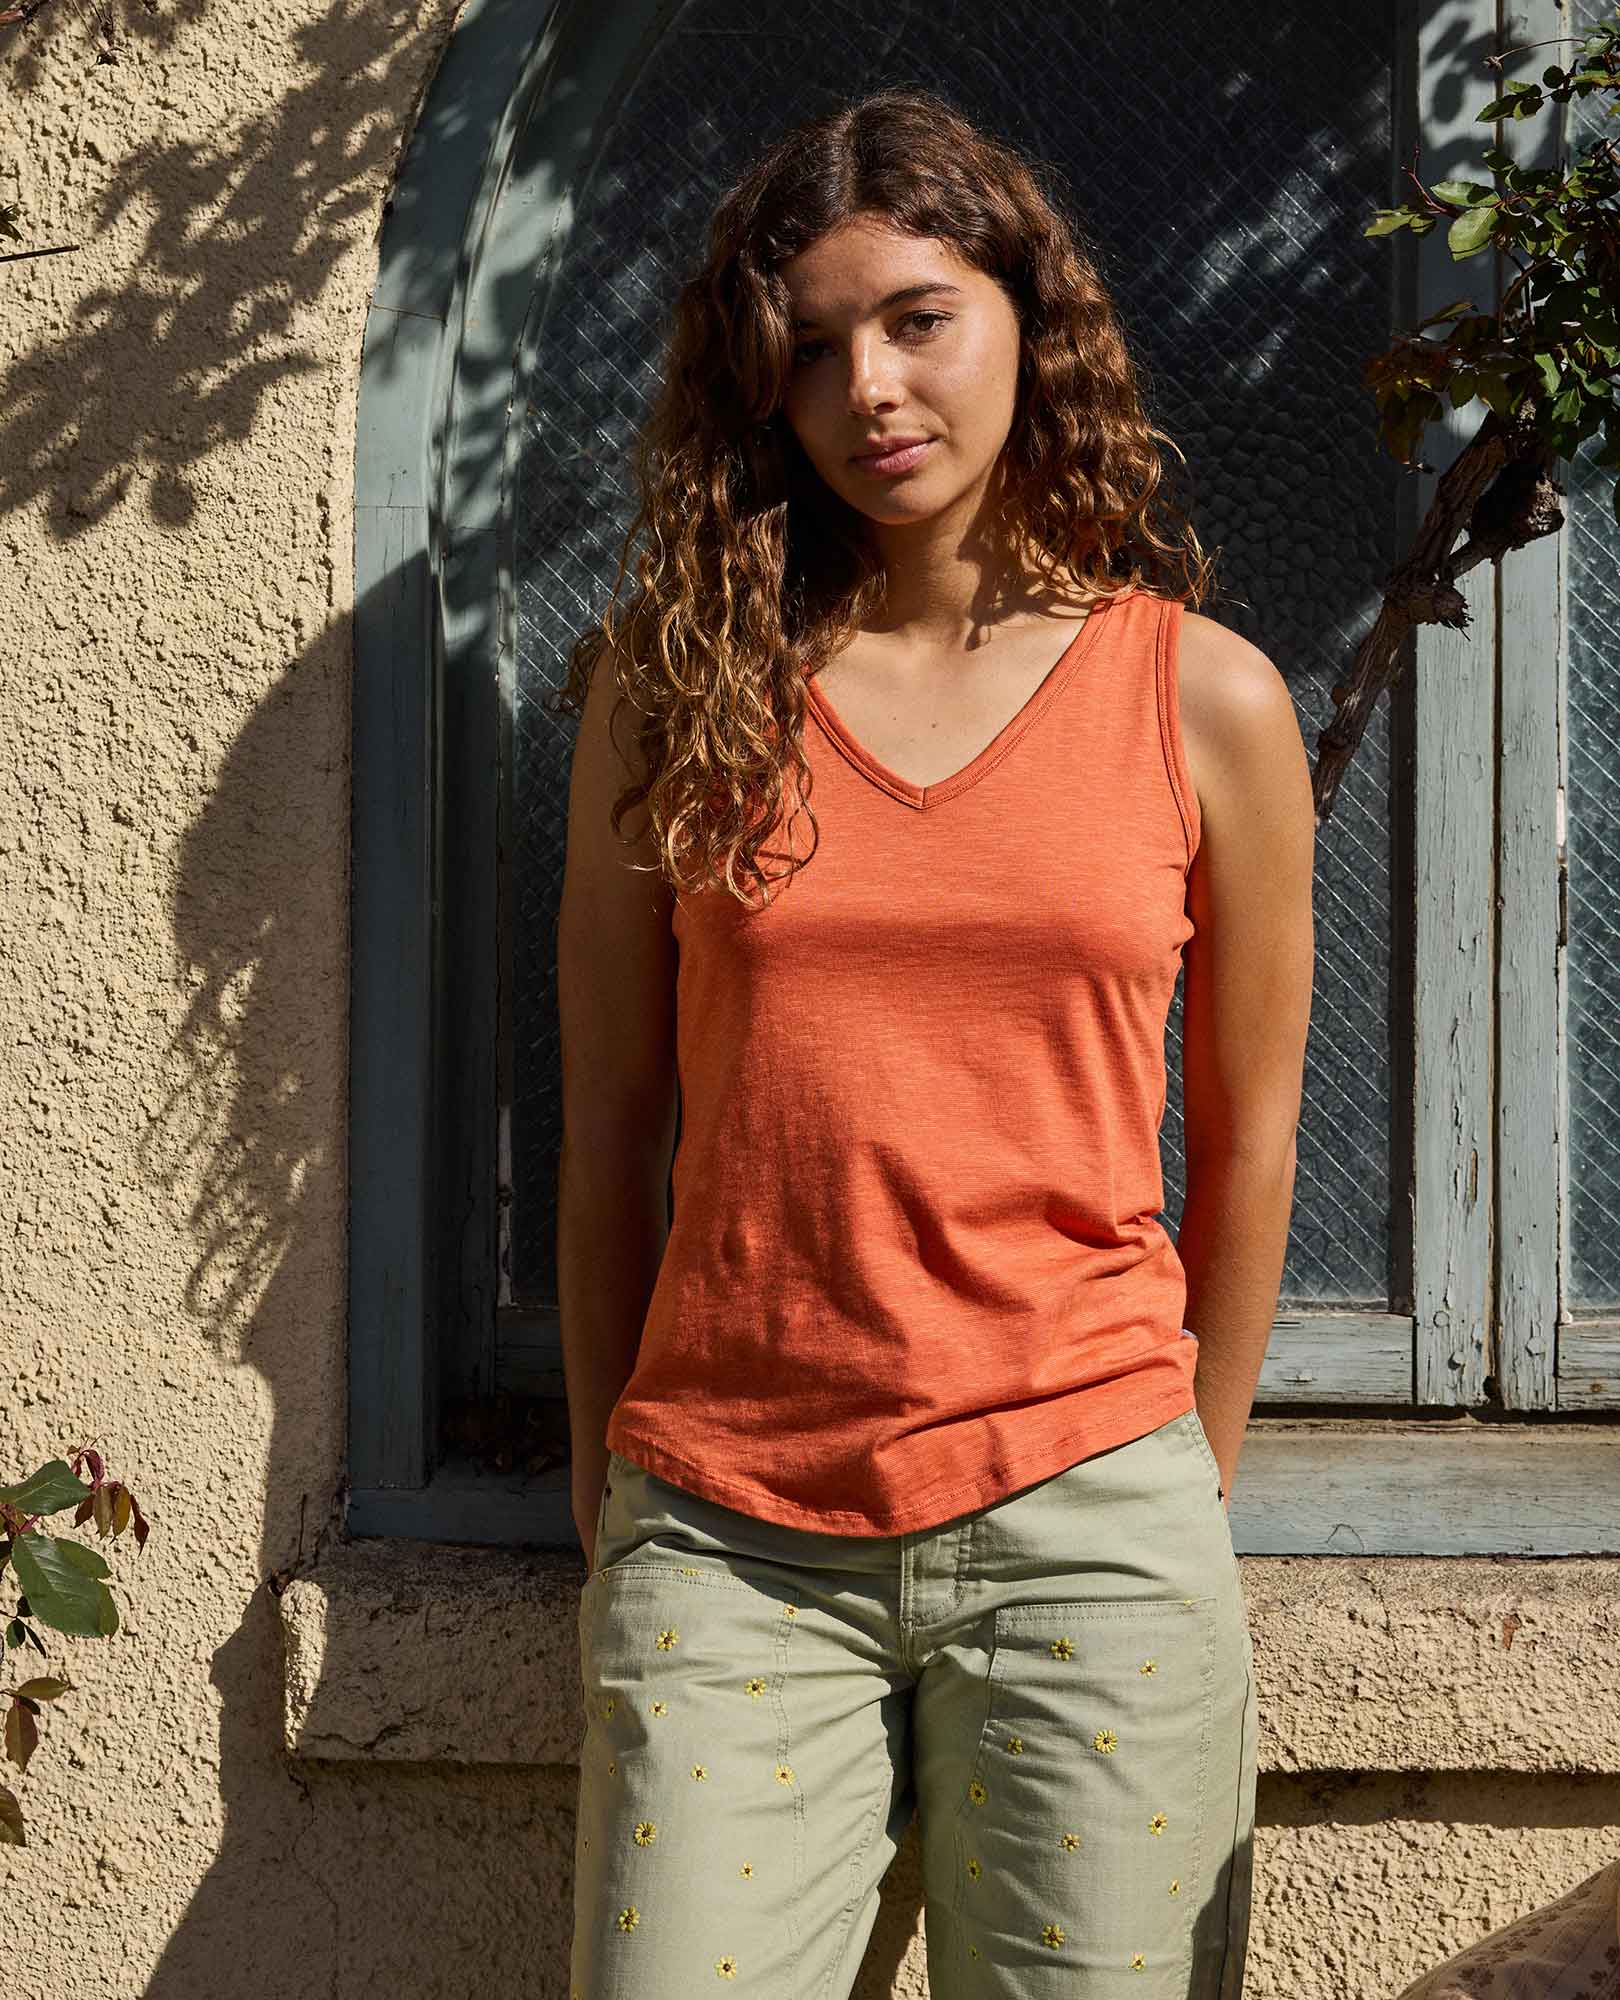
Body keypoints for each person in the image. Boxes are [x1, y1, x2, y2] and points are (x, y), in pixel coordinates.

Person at [555, 85, 1315, 2000]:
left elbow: (1249, 1142)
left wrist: (1178, 1476)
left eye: (918, 320)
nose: (870, 390)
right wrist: (606, 1493)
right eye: (812, 348)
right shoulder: (678, 691)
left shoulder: (1203, 699)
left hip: (1091, 1515)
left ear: (1027, 320)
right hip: (729, 1535)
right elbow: (609, 1122)